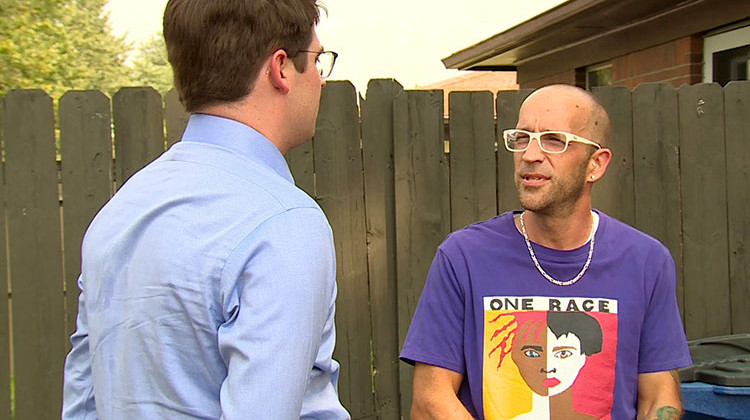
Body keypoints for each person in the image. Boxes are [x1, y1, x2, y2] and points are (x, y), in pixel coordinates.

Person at [62, 1, 349, 418]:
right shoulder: (284, 223)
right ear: (281, 68)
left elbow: (83, 404)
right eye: (317, 59)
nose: (321, 81)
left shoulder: (119, 212)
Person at [400, 84, 691, 420]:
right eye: (522, 137)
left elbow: (659, 400)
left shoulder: (645, 262)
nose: (530, 154)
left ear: (596, 164)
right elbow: (431, 400)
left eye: (554, 140)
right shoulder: (464, 257)